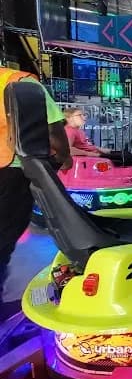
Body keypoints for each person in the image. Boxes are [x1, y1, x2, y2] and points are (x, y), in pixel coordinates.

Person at [0, 66, 72, 301]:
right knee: (4, 236)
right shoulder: (19, 81)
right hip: (11, 169)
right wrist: (64, 157)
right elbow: (52, 128)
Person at [63, 107, 132, 180]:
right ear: (69, 118)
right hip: (91, 157)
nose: (84, 117)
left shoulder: (78, 130)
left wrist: (104, 150)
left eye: (83, 115)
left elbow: (87, 146)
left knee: (126, 154)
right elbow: (68, 149)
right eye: (80, 115)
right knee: (126, 157)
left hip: (95, 153)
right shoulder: (69, 131)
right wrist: (92, 154)